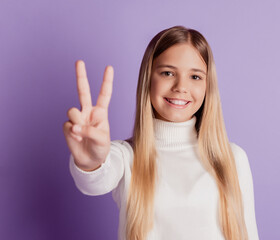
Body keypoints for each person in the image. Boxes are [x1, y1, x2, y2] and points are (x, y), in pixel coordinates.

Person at [63, 25, 259, 240]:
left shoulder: (232, 158)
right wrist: (90, 163)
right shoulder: (126, 156)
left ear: (207, 86)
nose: (180, 87)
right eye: (168, 73)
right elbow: (96, 182)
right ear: (149, 79)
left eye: (195, 77)